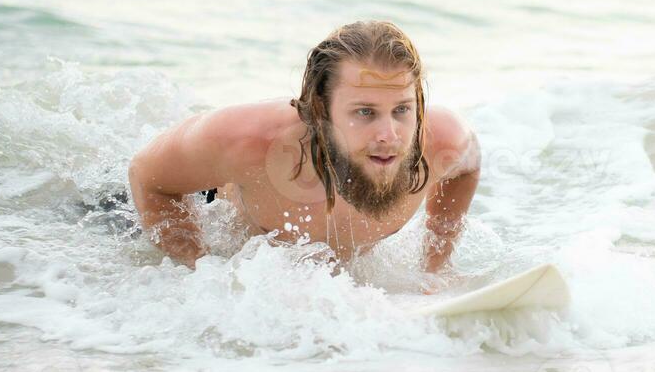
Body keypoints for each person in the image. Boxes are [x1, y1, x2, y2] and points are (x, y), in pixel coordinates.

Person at [127, 20, 479, 279]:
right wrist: (202, 269)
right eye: (365, 112)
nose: (389, 135)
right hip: (197, 210)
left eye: (402, 110)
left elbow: (468, 168)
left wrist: (436, 268)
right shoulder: (248, 142)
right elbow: (147, 177)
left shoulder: (442, 143)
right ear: (322, 109)